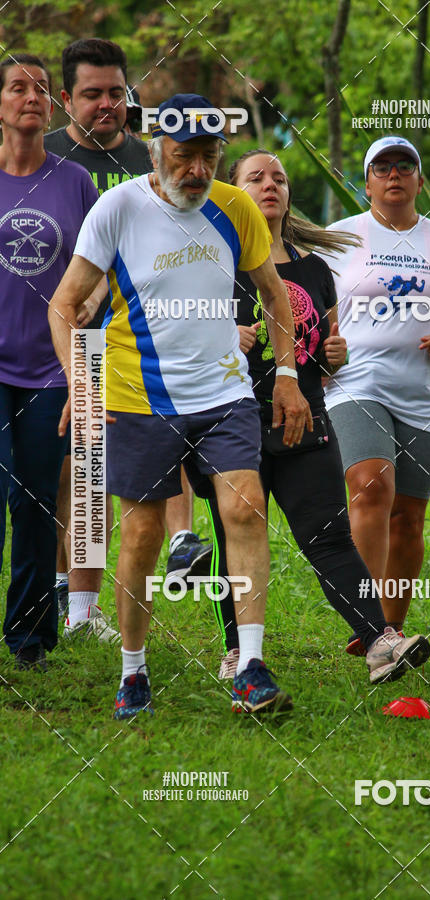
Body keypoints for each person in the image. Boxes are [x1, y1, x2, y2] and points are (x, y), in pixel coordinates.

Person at [49, 93, 313, 718]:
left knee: (244, 508)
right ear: (155, 150)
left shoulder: (236, 207)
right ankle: (133, 671)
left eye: (209, 157)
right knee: (142, 534)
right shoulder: (117, 208)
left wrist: (287, 376)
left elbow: (275, 296)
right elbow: (65, 305)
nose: (197, 170)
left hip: (224, 391)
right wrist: (80, 383)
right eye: (184, 156)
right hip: (137, 396)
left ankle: (250, 667)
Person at [207, 149, 430, 684]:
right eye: (256, 178)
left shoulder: (314, 269)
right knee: (235, 533)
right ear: (233, 192)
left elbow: (327, 348)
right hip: (231, 419)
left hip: (303, 418)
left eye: (279, 179)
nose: (270, 185)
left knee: (329, 535)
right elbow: (176, 331)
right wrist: (220, 335)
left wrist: (335, 354)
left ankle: (379, 642)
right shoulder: (212, 261)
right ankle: (237, 651)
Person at [45, 39, 210, 634]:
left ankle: (96, 600)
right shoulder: (47, 156)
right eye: (92, 94)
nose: (106, 105)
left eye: (117, 92)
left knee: (118, 465)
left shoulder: (154, 157)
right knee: (73, 474)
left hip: (137, 338)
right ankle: (67, 592)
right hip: (58, 330)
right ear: (67, 99)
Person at [320, 136, 430, 652]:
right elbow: (313, 306)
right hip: (357, 381)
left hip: (425, 393)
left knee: (408, 517)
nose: (394, 174)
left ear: (419, 180)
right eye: (382, 167)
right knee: (370, 487)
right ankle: (369, 624)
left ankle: (391, 631)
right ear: (366, 183)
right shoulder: (340, 237)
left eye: (404, 166)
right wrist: (318, 355)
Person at [0, 53, 98, 669]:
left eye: (40, 88)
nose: (31, 96)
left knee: (36, 502)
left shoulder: (75, 181)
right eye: (17, 87)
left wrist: (92, 301)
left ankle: (30, 637)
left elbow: (101, 265)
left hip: (51, 369)